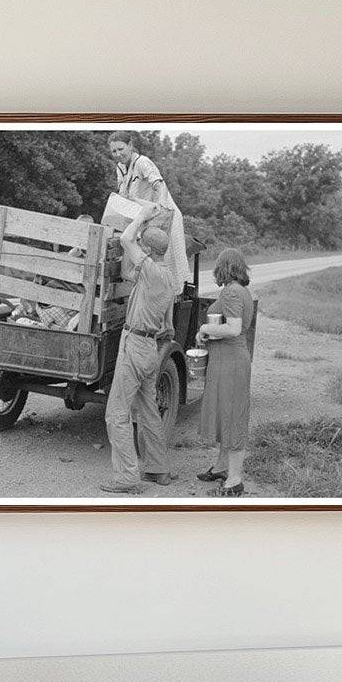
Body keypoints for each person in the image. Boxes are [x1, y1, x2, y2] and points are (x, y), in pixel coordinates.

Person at [99, 212, 176, 495]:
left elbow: (126, 239)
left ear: (149, 251)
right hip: (150, 348)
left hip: (135, 344)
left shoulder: (152, 272)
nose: (139, 248)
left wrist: (141, 217)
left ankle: (127, 478)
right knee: (149, 411)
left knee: (116, 414)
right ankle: (158, 469)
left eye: (143, 246)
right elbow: (126, 273)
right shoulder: (166, 277)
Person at [196, 248, 254, 497]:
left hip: (231, 363)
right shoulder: (241, 291)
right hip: (229, 361)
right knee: (225, 414)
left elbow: (233, 329)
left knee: (232, 418)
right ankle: (221, 467)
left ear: (223, 268)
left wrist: (205, 328)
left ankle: (234, 479)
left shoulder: (231, 292)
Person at [108, 131, 191, 292]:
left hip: (165, 216)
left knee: (167, 260)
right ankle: (150, 293)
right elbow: (123, 195)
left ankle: (173, 296)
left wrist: (161, 206)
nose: (118, 154)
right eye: (114, 151)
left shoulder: (142, 162)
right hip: (146, 218)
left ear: (130, 146)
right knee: (147, 260)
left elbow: (160, 185)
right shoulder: (120, 167)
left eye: (121, 149)